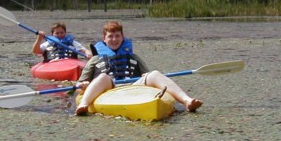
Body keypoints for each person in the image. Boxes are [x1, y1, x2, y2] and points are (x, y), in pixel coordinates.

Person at [75, 21, 203, 115]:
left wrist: (147, 77)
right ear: (104, 39)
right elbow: (79, 84)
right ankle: (84, 104)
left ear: (122, 37)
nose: (114, 39)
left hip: (133, 87)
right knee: (103, 77)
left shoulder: (134, 57)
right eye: (110, 36)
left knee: (154, 74)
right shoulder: (94, 60)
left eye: (117, 36)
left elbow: (146, 75)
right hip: (109, 88)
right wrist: (83, 85)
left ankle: (187, 101)